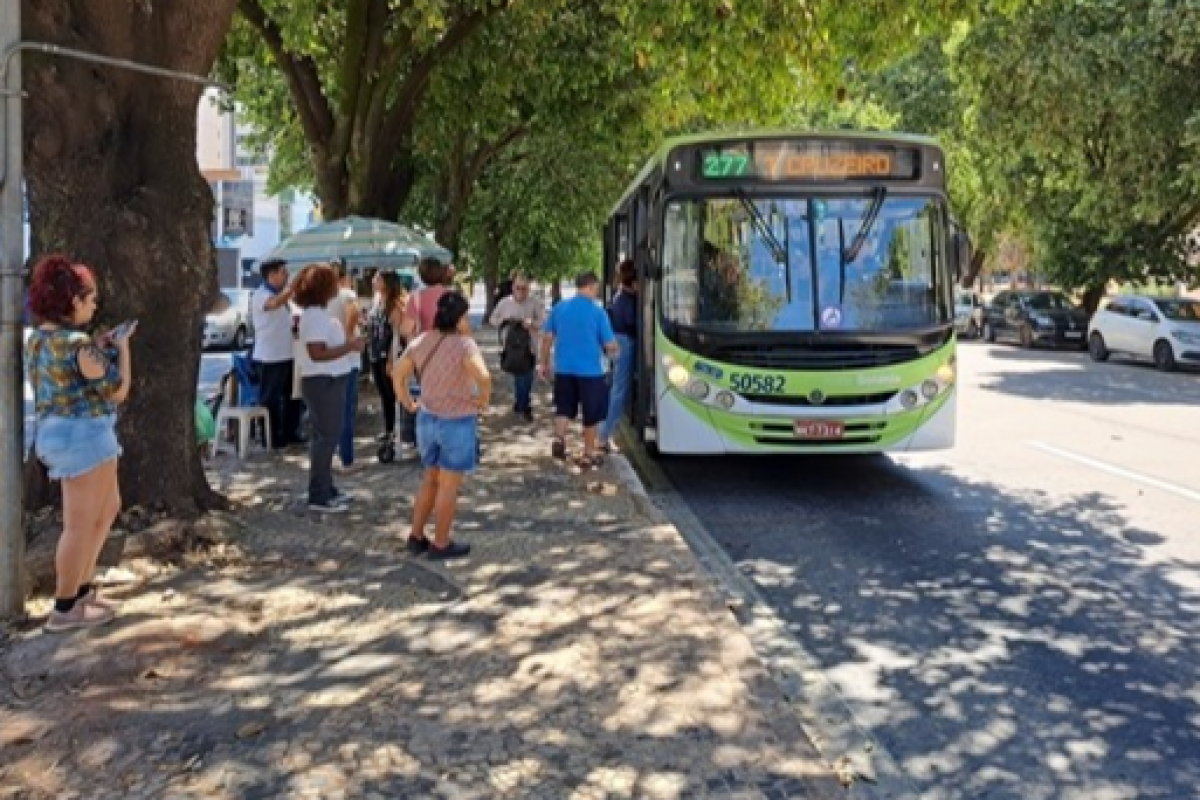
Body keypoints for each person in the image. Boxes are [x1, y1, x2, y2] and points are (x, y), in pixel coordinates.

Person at [25, 255, 134, 632]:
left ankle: (80, 592)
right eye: (90, 299)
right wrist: (121, 349)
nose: (94, 305)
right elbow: (117, 390)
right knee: (80, 524)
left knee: (105, 510)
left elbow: (77, 368)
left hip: (59, 433)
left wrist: (98, 347)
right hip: (84, 436)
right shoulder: (79, 343)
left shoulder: (39, 339)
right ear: (73, 301)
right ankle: (66, 605)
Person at [394, 292, 491, 560]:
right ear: (461, 318)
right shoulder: (464, 345)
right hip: (457, 421)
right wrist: (482, 399)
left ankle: (416, 535)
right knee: (449, 485)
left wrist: (407, 401)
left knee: (430, 479)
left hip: (426, 418)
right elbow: (483, 376)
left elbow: (398, 374)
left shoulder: (420, 341)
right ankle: (441, 542)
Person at [294, 264, 367, 513]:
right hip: (323, 381)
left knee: (326, 436)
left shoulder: (317, 315)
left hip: (329, 380)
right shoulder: (314, 317)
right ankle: (319, 494)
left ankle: (326, 487)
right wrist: (350, 347)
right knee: (327, 438)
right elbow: (317, 353)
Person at [538, 271, 618, 468]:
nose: (596, 292)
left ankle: (559, 438)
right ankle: (588, 453)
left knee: (564, 407)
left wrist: (544, 363)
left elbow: (547, 338)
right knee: (591, 414)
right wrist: (617, 349)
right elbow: (610, 344)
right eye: (596, 288)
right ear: (590, 287)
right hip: (591, 371)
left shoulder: (559, 308)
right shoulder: (598, 313)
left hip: (564, 368)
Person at [250, 258, 302, 449]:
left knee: (292, 396)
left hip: (288, 352)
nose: (286, 275)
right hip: (269, 356)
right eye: (283, 272)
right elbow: (274, 304)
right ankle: (270, 438)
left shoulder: (284, 296)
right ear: (271, 275)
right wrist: (292, 288)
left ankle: (290, 432)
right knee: (270, 399)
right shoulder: (261, 295)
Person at [488, 271, 544, 421]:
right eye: (518, 288)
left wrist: (532, 323)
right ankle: (522, 405)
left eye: (524, 288)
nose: (521, 291)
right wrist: (505, 320)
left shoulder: (535, 302)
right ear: (513, 288)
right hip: (511, 347)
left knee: (526, 377)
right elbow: (493, 320)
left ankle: (522, 405)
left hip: (530, 346)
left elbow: (544, 322)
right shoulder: (505, 302)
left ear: (529, 289)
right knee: (519, 376)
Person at [326, 260, 363, 471]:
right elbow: (354, 312)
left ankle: (330, 455)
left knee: (331, 410)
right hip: (347, 358)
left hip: (328, 358)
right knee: (346, 409)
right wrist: (350, 337)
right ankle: (346, 458)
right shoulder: (347, 294)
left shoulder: (323, 297)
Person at [599, 259, 637, 453]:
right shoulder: (626, 299)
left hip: (617, 341)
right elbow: (631, 323)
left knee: (614, 385)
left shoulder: (619, 295)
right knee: (619, 390)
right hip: (624, 342)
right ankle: (604, 436)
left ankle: (602, 430)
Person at [367, 270, 407, 445]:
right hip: (375, 352)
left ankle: (397, 430)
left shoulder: (396, 304)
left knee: (391, 393)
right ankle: (388, 429)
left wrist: (391, 359)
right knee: (384, 394)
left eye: (378, 278)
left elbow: (397, 334)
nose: (373, 281)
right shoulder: (377, 300)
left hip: (388, 354)